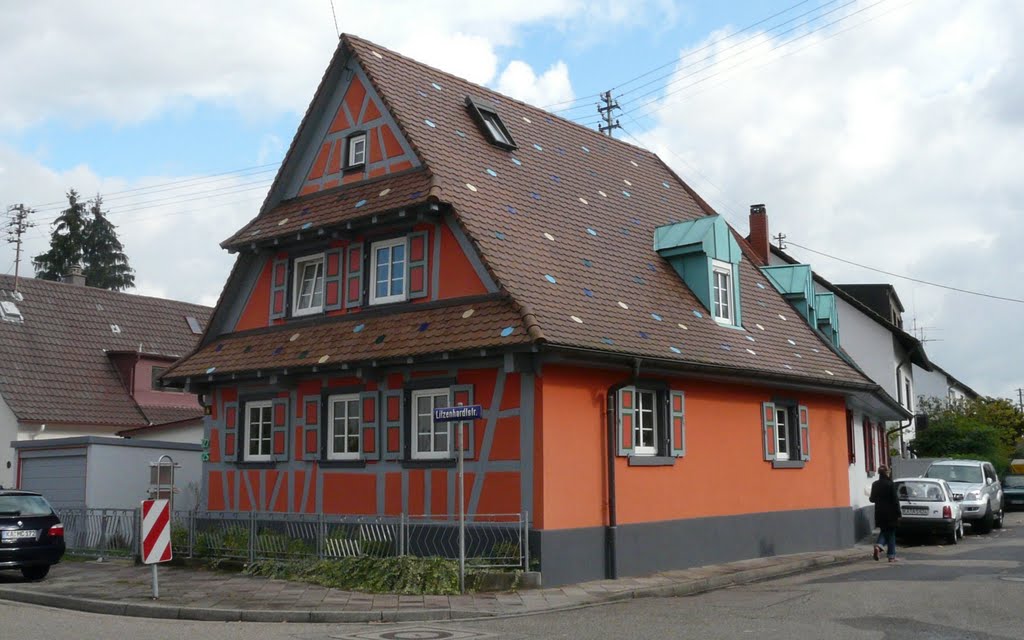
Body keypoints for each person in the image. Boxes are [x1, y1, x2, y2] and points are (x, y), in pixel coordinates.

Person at [870, 464, 901, 562]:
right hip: (891, 513)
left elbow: (872, 499)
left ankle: (880, 547)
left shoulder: (875, 484)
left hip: (879, 512)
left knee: (884, 531)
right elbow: (895, 500)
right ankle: (890, 555)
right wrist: (899, 513)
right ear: (887, 473)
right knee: (891, 532)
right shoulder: (890, 484)